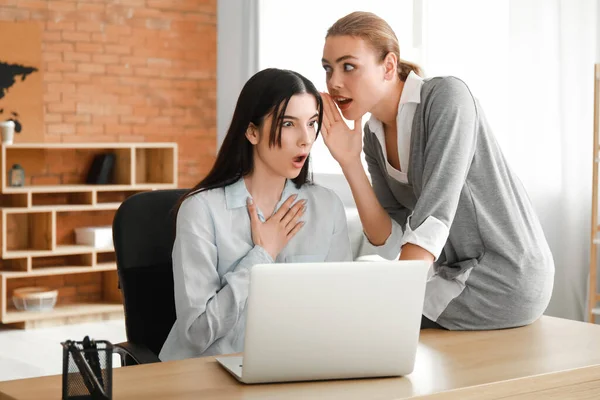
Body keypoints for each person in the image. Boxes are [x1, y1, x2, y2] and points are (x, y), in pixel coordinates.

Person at [319, 11, 554, 331]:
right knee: (351, 307)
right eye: (328, 69)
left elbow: (434, 216)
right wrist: (349, 162)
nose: (334, 82)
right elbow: (386, 237)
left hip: (506, 277)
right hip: (452, 274)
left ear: (389, 66)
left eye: (349, 66)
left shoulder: (447, 97)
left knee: (362, 316)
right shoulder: (372, 136)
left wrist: (394, 301)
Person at [159, 68, 353, 361]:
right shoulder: (201, 210)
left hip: (293, 370)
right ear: (252, 131)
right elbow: (197, 334)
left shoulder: (326, 207)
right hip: (207, 373)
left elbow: (340, 313)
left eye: (312, 123)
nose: (305, 140)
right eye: (288, 124)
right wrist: (262, 255)